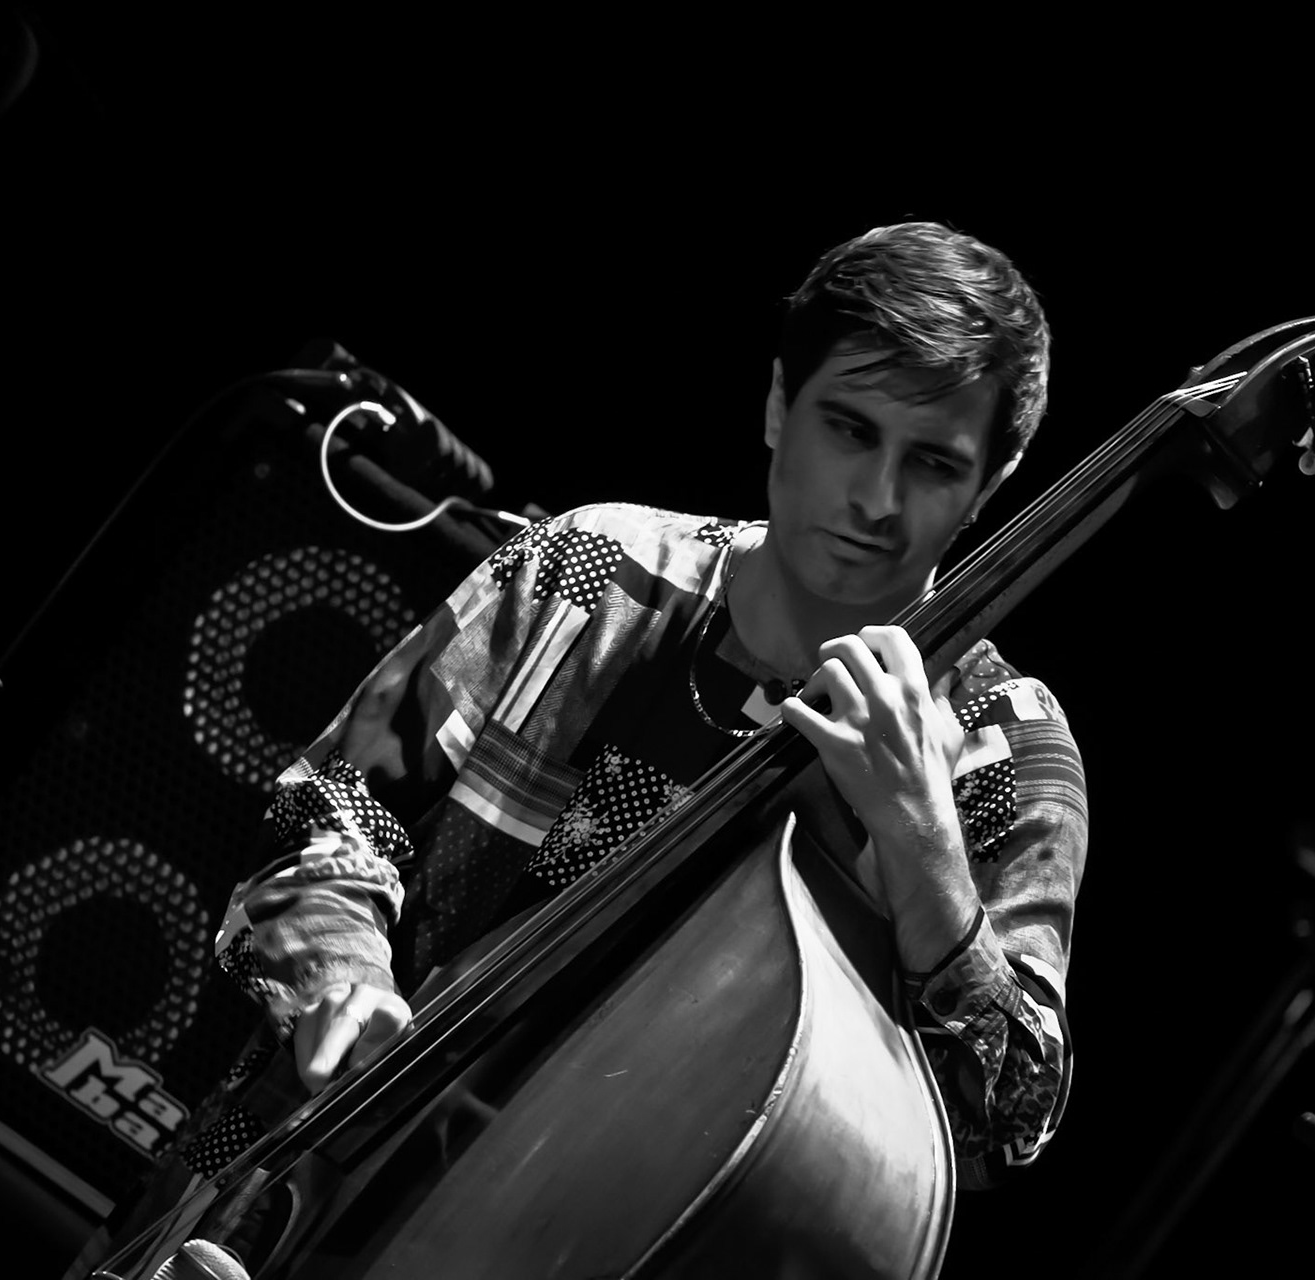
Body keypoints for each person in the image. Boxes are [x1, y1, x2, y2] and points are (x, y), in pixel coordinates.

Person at [79, 220, 1086, 1275]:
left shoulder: (1000, 751)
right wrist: (344, 971)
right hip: (279, 1189)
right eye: (848, 427)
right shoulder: (592, 570)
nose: (877, 499)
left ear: (994, 481)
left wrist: (924, 854)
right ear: (780, 406)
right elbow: (330, 805)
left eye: (933, 463)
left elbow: (1005, 1121)